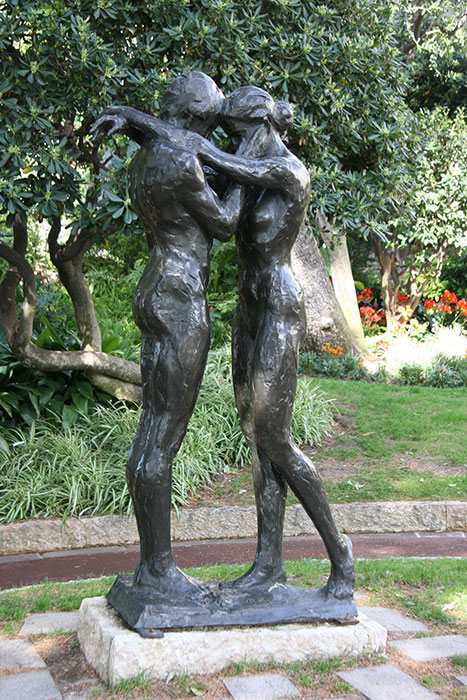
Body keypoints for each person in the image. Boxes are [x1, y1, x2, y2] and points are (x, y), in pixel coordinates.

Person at [92, 72, 247, 599]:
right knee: (164, 435)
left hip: (156, 285)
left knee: (152, 431)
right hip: (180, 295)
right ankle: (159, 571)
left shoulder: (147, 159)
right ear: (199, 118)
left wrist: (137, 120)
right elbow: (224, 224)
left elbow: (176, 151)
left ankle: (151, 566)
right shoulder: (183, 161)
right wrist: (247, 170)